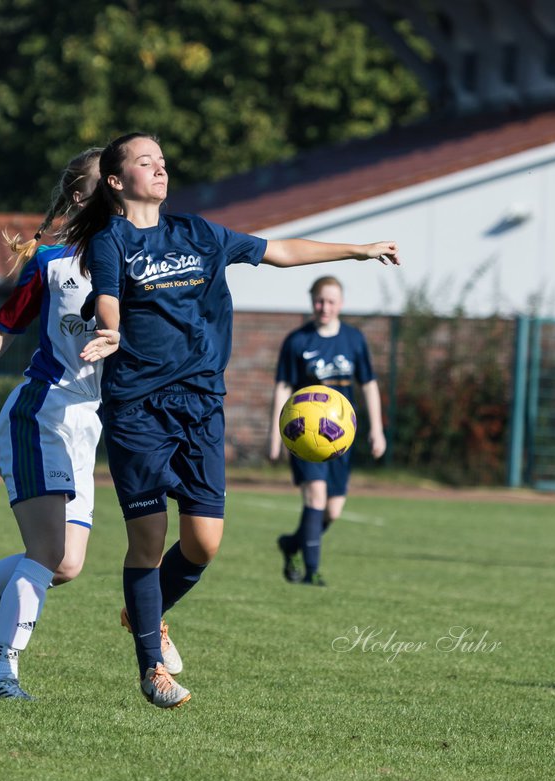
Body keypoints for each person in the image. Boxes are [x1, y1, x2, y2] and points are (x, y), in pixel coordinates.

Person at [71, 133, 399, 708]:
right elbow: (106, 299)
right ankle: (152, 669)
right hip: (138, 408)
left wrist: (357, 250)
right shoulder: (110, 239)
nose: (159, 168)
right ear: (118, 181)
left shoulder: (199, 233)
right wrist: (113, 330)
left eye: (163, 161)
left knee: (204, 544)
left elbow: (282, 251)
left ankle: (144, 614)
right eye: (145, 161)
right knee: (149, 540)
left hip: (201, 404)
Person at [0, 149, 166, 700]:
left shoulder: (137, 259)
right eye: (107, 183)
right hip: (41, 414)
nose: (121, 192)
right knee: (48, 552)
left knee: (67, 564)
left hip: (86, 426)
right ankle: (1, 673)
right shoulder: (52, 262)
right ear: (82, 197)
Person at [268, 275, 386, 586]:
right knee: (315, 496)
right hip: (304, 436)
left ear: (341, 304)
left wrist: (377, 429)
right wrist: (274, 437)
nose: (325, 307)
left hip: (340, 439)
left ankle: (291, 544)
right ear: (312, 301)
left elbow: (369, 384)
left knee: (332, 511)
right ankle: (312, 572)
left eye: (331, 301)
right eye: (320, 301)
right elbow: (282, 387)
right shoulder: (297, 341)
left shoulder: (354, 340)